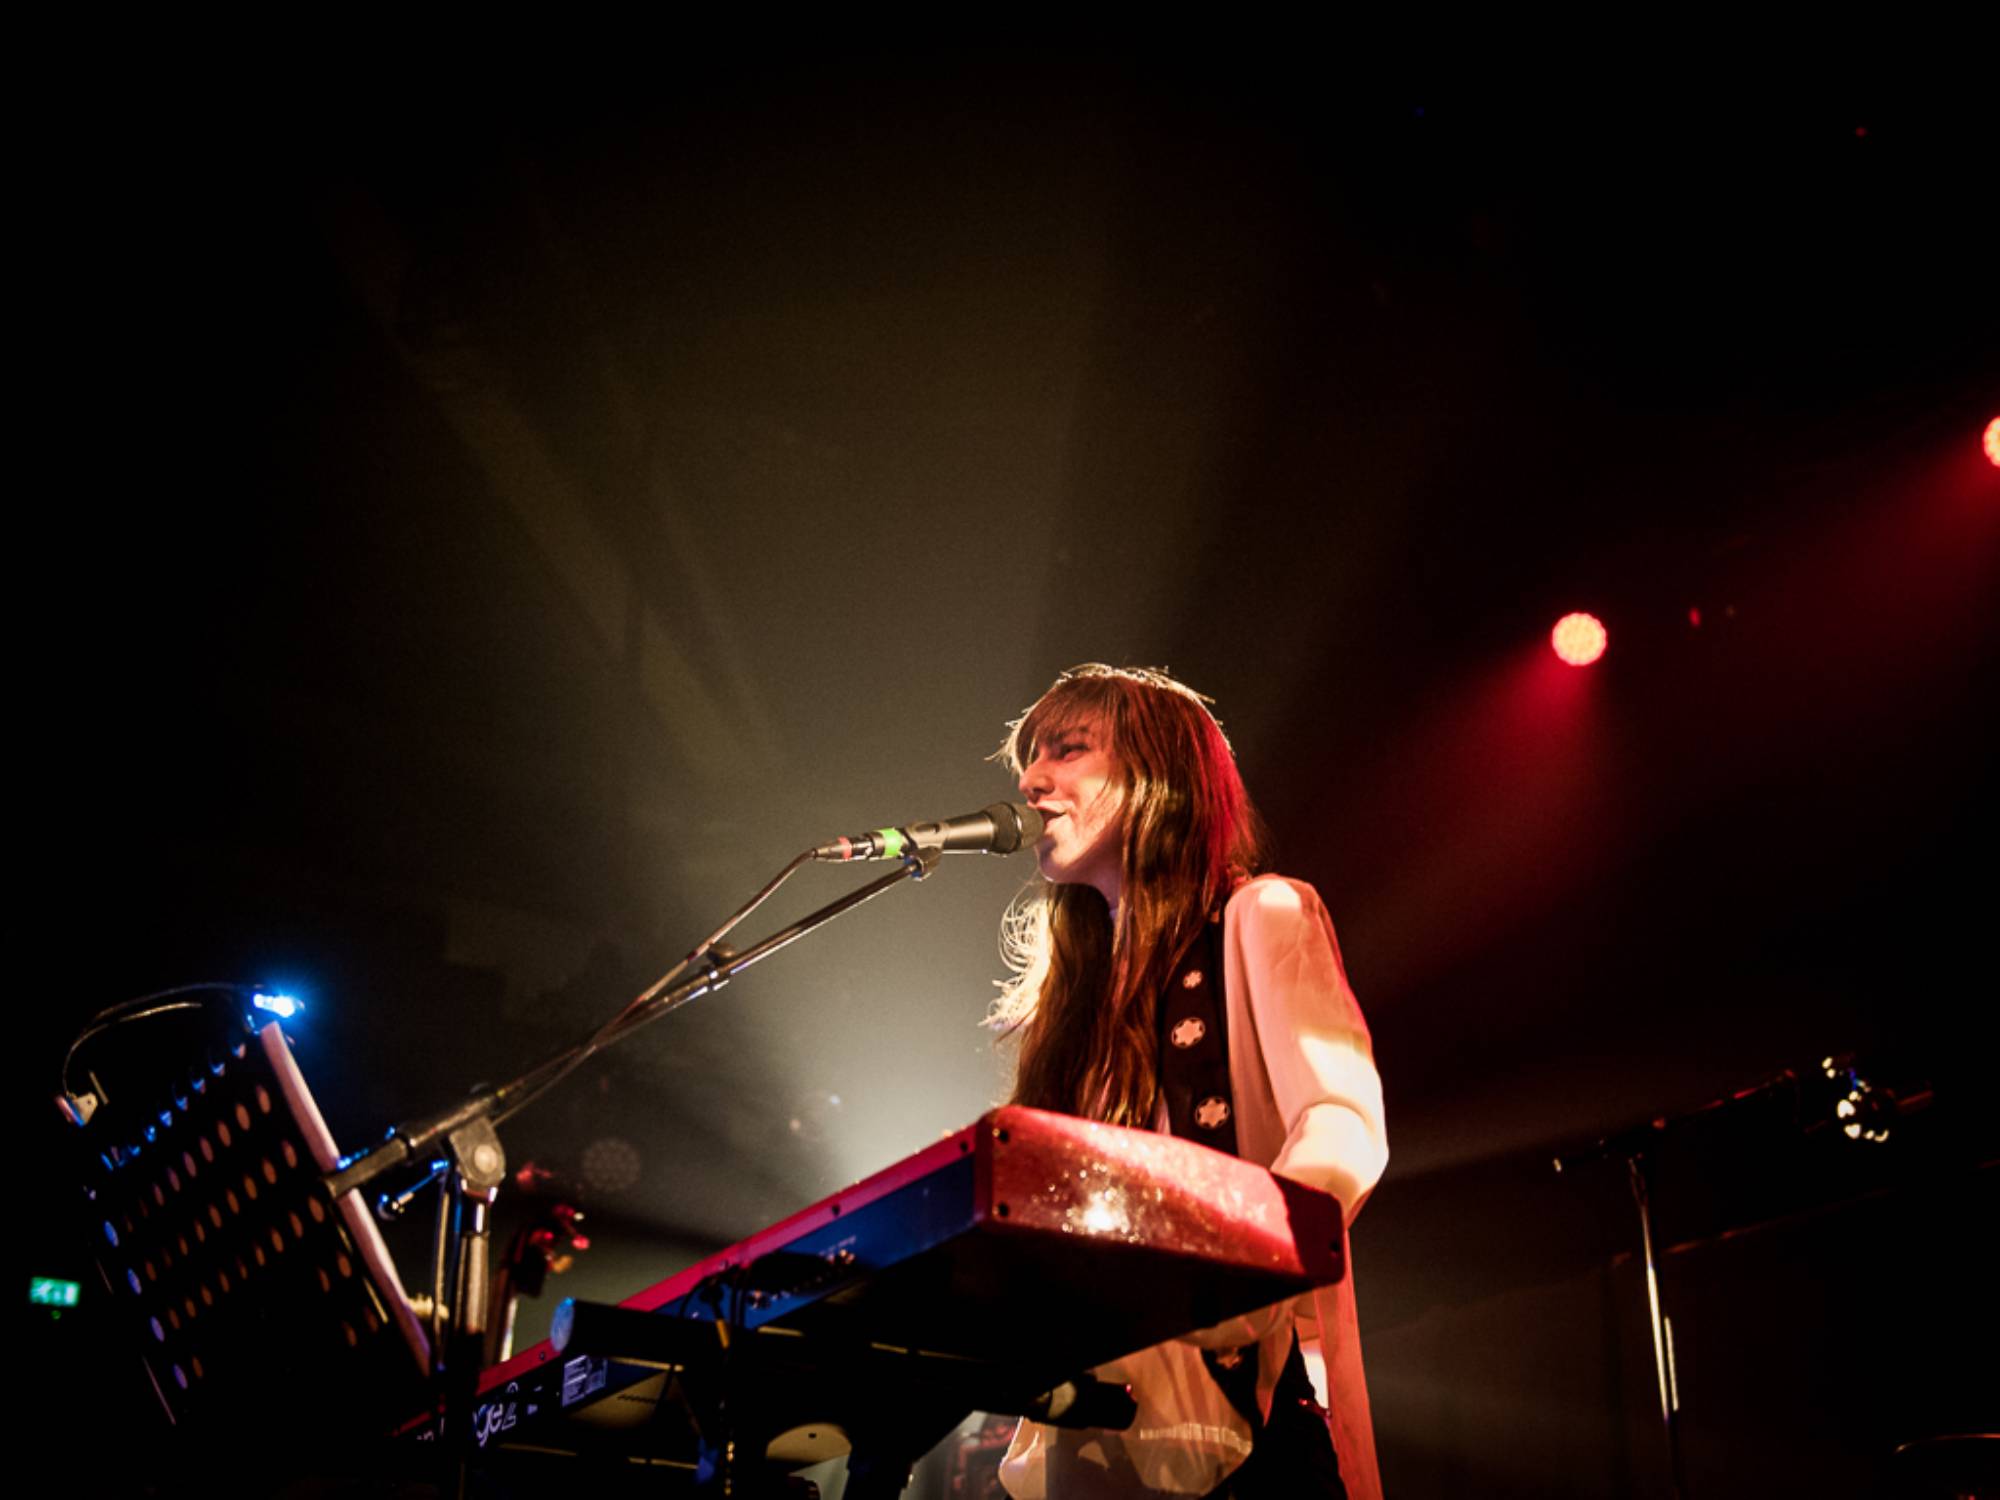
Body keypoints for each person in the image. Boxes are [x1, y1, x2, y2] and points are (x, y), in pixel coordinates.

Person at [989, 665, 1387, 1500]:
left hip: (1232, 1424)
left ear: (1158, 772)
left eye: (1068, 749)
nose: (1030, 781)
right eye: (1030, 760)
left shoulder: (1260, 915)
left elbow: (1342, 1123)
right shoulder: (1076, 1006)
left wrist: (1224, 1285)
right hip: (1091, 1430)